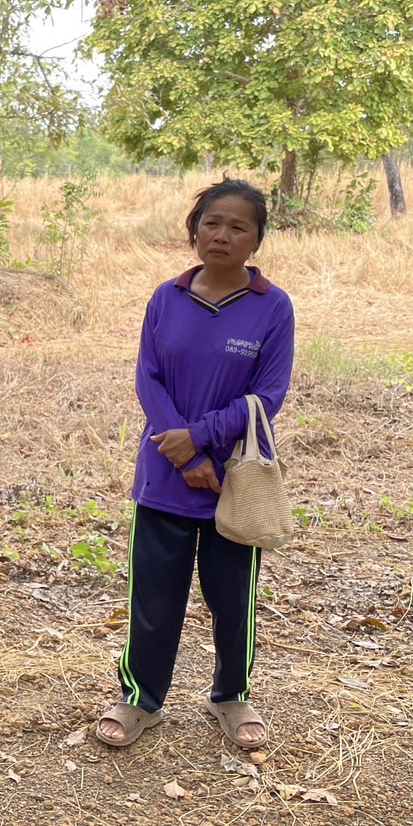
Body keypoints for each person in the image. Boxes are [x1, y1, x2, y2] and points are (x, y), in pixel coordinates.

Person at [97, 179, 295, 749]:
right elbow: (148, 378)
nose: (223, 235)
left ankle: (233, 696)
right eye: (212, 222)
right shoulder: (167, 297)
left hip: (233, 479)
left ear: (256, 239)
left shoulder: (272, 308)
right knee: (154, 597)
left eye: (238, 226)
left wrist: (203, 443)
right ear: (195, 228)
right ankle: (140, 699)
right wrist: (182, 454)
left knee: (233, 598)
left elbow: (268, 396)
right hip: (164, 475)